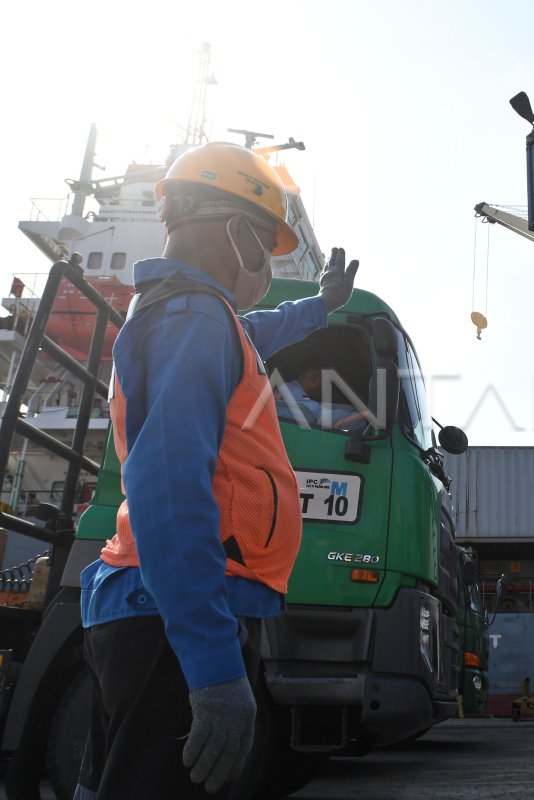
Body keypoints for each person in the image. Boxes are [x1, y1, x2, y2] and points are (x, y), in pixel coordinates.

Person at [74, 141, 360, 799]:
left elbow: (260, 331)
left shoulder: (194, 316)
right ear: (232, 228)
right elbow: (171, 492)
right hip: (176, 620)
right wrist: (211, 668)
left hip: (158, 607)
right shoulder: (193, 318)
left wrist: (321, 305)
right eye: (264, 243)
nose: (265, 268)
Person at [275, 364, 369, 432]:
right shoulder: (290, 390)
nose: (319, 372)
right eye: (315, 366)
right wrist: (369, 415)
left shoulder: (287, 391)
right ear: (302, 371)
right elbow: (315, 413)